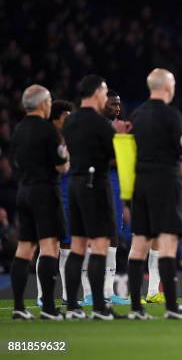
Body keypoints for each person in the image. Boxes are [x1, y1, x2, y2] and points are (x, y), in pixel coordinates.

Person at [128, 68, 182, 320]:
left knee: (139, 246)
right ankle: (171, 307)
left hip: (140, 183)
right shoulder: (170, 114)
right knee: (167, 245)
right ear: (167, 87)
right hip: (165, 182)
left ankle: (136, 308)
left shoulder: (138, 114)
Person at [63, 75, 129, 320]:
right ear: (95, 93)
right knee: (101, 246)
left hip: (75, 184)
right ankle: (100, 307)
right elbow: (116, 158)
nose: (105, 98)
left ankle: (72, 306)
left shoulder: (70, 121)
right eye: (103, 93)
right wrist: (121, 136)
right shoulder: (101, 124)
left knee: (78, 247)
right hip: (96, 186)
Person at [9, 85, 69, 320]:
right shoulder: (48, 130)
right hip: (45, 191)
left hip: (23, 191)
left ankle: (18, 307)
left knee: (25, 247)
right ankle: (49, 308)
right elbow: (61, 166)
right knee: (49, 247)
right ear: (43, 104)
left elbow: (15, 161)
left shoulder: (17, 130)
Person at [35, 100, 73, 307]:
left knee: (67, 245)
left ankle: (68, 294)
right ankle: (42, 295)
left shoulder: (69, 139)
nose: (69, 121)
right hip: (49, 195)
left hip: (67, 198)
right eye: (66, 117)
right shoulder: (47, 137)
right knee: (49, 245)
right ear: (57, 118)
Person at [98, 90, 131, 305]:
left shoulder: (119, 128)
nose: (117, 108)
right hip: (99, 184)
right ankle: (92, 291)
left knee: (114, 237)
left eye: (118, 104)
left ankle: (108, 290)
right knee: (93, 239)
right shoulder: (97, 127)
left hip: (117, 186)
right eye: (112, 104)